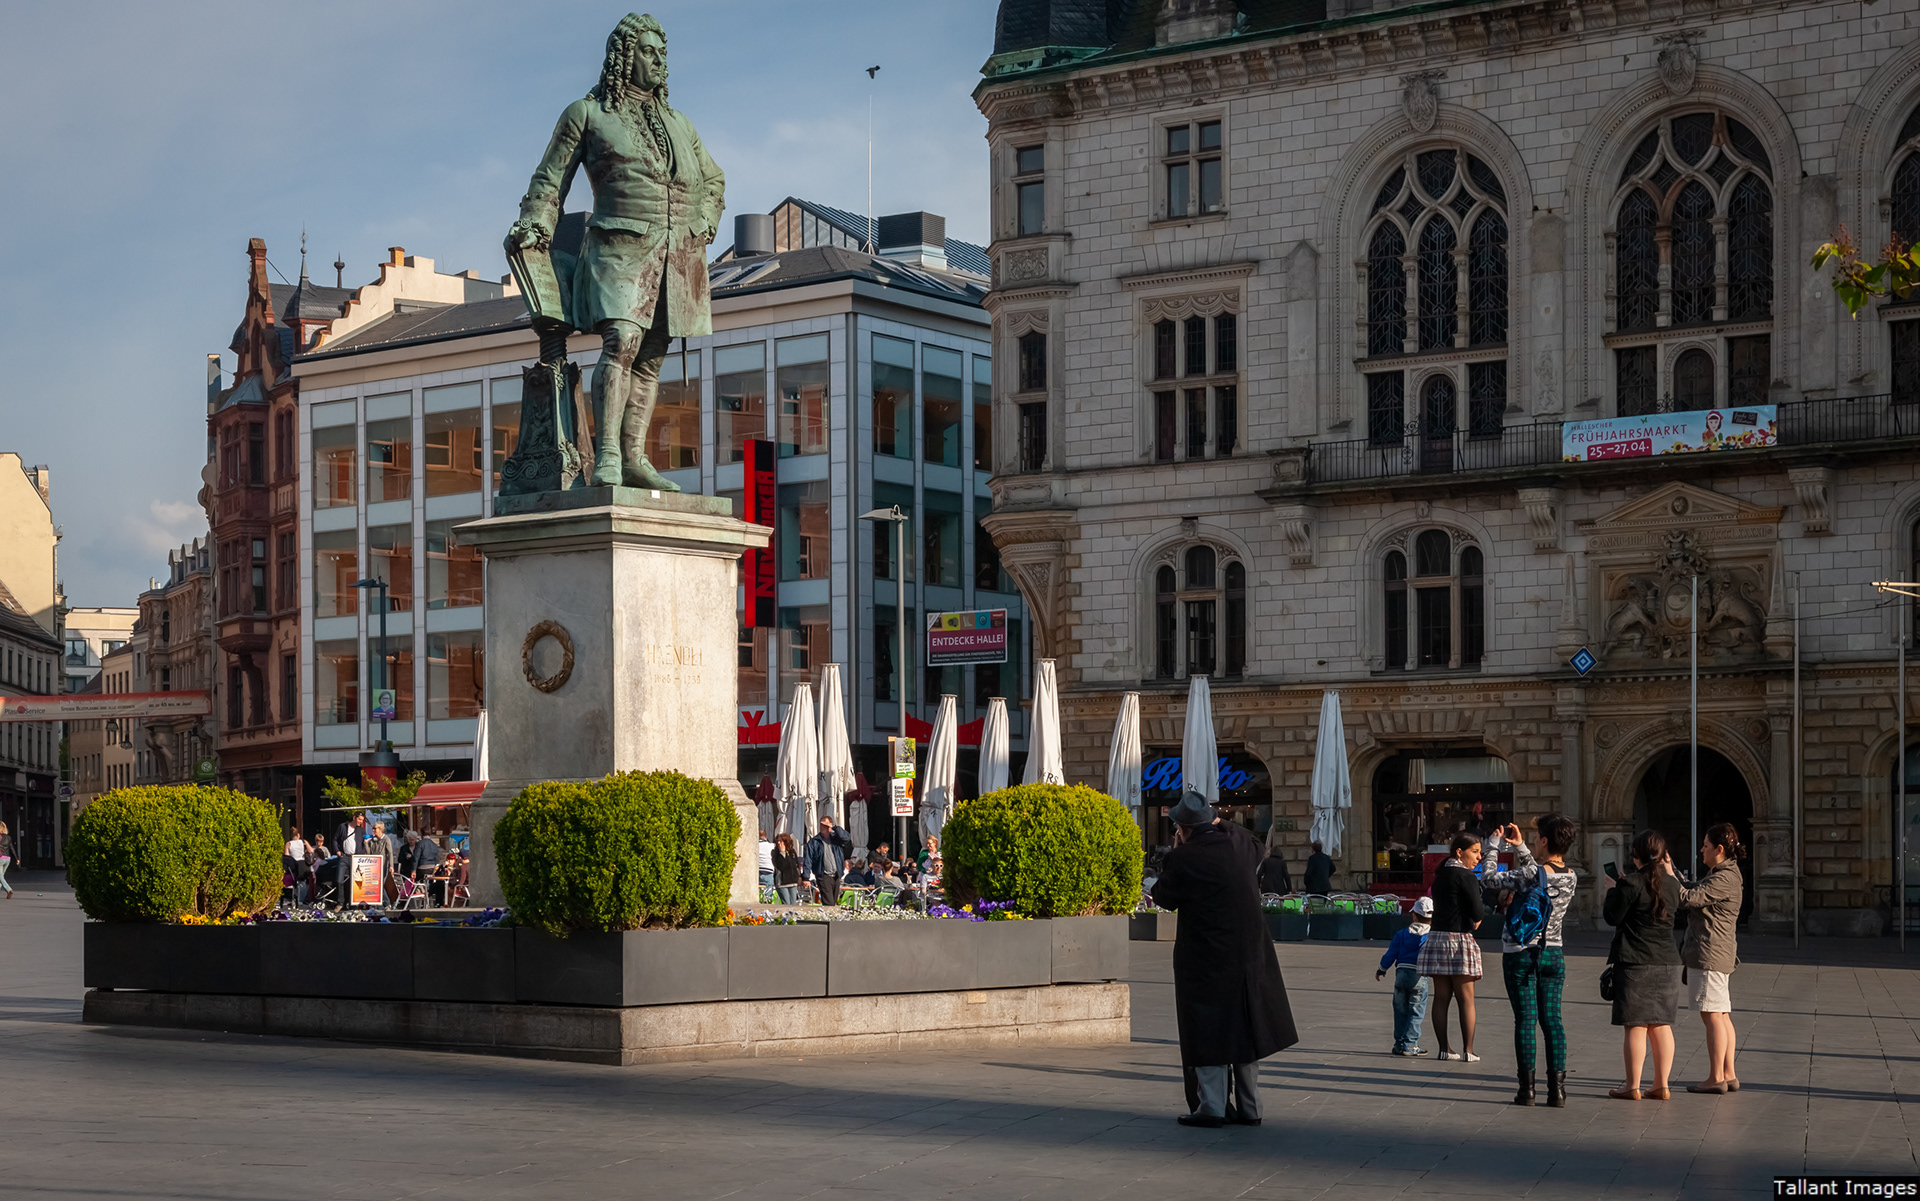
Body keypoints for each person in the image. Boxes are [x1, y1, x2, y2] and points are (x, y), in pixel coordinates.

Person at [507, 12, 726, 490]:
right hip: (618, 248)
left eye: (663, 53)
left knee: (651, 355)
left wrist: (707, 219)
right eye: (649, 51)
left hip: (677, 256)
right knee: (621, 342)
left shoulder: (680, 124)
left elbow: (712, 179)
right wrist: (536, 223)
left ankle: (632, 455)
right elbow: (549, 180)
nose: (660, 61)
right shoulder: (587, 114)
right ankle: (606, 452)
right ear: (626, 57)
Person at [1150, 790, 1298, 1128]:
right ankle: (1251, 1106)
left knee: (1207, 1028)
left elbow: (1163, 898)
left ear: (1181, 829)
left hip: (1205, 957)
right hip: (1250, 954)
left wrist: (1178, 850)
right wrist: (1215, 820)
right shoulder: (1242, 846)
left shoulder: (1185, 858)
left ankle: (1212, 1106)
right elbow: (1246, 835)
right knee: (1247, 1025)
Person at [1484, 815, 1581, 1107]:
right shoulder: (1571, 876)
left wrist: (1493, 846)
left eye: (1537, 836)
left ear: (1545, 840)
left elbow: (1489, 878)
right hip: (1553, 953)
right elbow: (1539, 873)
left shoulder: (1528, 875)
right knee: (1553, 1021)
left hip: (1521, 952)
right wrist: (1522, 847)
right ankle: (1558, 1091)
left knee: (1525, 1020)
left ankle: (1526, 1090)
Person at [1604, 829, 1683, 1101]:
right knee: (1661, 1025)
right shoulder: (1672, 885)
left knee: (1636, 1025)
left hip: (1636, 960)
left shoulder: (1631, 884)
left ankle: (1632, 1085)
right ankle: (1661, 1085)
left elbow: (1612, 917)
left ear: (1635, 854)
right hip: (1669, 962)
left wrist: (1613, 890)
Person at [1679, 822, 1746, 1094]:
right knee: (1721, 1015)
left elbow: (1688, 899)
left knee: (1713, 1017)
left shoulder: (1723, 877)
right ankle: (1728, 1073)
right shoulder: (1724, 873)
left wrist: (1666, 877)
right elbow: (1694, 890)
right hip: (1717, 952)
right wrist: (1674, 872)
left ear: (1719, 849)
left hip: (1709, 952)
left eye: (1705, 845)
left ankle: (1716, 1076)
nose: (1701, 850)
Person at [1418, 831, 1486, 1062]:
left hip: (1436, 937)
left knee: (1441, 997)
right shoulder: (1466, 876)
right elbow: (1478, 910)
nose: (1479, 857)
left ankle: (1444, 1049)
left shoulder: (1440, 874)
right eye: (1475, 852)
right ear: (1460, 851)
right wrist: (1475, 919)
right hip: (1459, 939)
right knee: (1466, 998)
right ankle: (1468, 1050)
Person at [1376, 896, 1433, 1057]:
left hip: (1401, 974)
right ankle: (1411, 1044)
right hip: (1419, 976)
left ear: (1414, 915)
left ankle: (1399, 1043)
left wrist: (1381, 968)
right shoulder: (1431, 936)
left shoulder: (1401, 934)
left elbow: (1390, 954)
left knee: (1400, 1010)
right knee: (1416, 1011)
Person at [805, 816, 853, 906]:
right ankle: (829, 919)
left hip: (836, 875)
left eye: (824, 825)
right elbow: (808, 859)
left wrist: (835, 827)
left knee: (834, 902)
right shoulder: (814, 841)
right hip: (824, 875)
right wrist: (806, 877)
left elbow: (847, 837)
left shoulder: (836, 839)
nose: (822, 827)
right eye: (821, 824)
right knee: (829, 903)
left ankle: (830, 918)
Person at [406, 830, 446, 902]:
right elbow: (437, 859)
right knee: (430, 883)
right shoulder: (434, 845)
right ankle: (428, 896)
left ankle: (419, 896)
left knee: (418, 881)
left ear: (421, 834)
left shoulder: (420, 844)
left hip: (422, 868)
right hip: (432, 869)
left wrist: (413, 870)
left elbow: (416, 857)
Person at [771, 832, 803, 905]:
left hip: (792, 882)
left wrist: (799, 877)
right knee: (786, 904)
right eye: (777, 841)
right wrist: (782, 852)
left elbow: (796, 865)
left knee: (793, 904)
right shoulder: (775, 853)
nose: (779, 843)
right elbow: (781, 866)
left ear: (786, 842)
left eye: (781, 841)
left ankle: (792, 916)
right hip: (782, 882)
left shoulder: (792, 852)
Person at [284, 829, 312, 904]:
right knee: (303, 882)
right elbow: (311, 851)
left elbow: (286, 855)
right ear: (298, 835)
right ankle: (301, 899)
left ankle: (294, 899)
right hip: (303, 863)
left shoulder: (288, 843)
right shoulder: (303, 841)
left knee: (294, 882)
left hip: (294, 863)